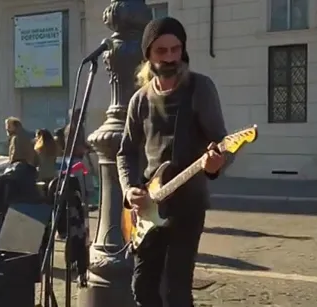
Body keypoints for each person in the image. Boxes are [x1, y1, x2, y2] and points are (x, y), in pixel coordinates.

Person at [116, 17, 228, 307]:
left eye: (175, 50)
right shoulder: (140, 100)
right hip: (150, 206)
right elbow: (125, 151)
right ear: (148, 56)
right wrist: (130, 190)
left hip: (188, 205)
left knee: (177, 291)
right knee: (142, 287)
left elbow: (222, 142)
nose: (169, 58)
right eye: (161, 51)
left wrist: (217, 165)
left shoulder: (200, 89)